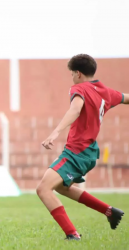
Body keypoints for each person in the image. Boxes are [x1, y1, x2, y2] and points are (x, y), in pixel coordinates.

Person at [38, 54, 127, 240]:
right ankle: (110, 211)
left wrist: (54, 133)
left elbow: (76, 109)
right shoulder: (106, 92)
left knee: (43, 189)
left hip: (76, 151)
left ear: (78, 73)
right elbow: (126, 98)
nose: (71, 77)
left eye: (71, 74)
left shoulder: (79, 88)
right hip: (89, 152)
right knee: (62, 187)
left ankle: (72, 235)